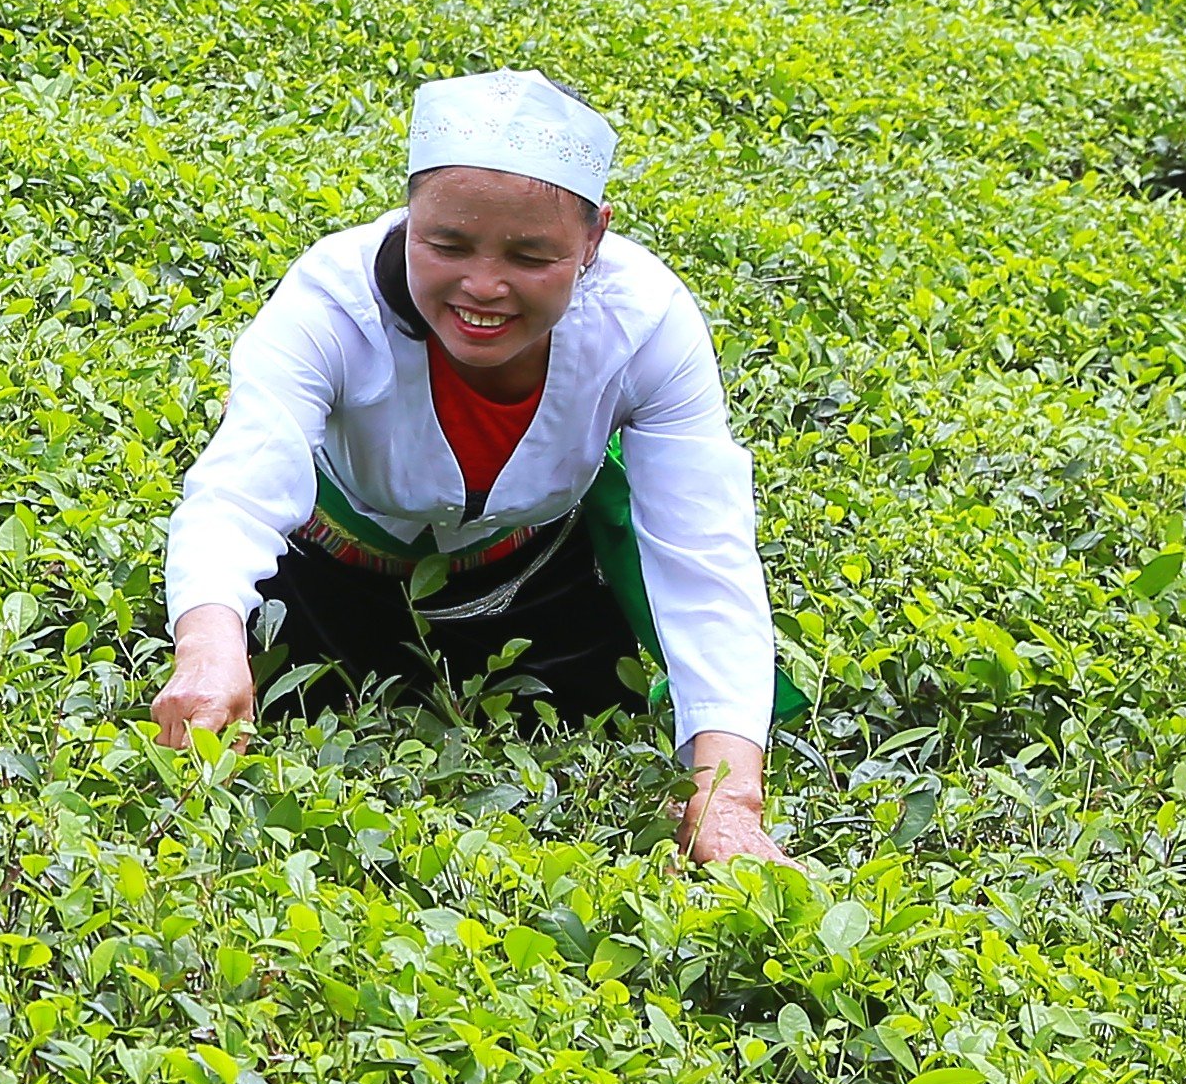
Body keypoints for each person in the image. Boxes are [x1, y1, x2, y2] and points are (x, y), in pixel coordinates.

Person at [149, 72, 793, 865]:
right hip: (326, 578)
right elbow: (238, 487)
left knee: (592, 711)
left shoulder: (648, 322)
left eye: (531, 255)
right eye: (447, 245)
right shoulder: (330, 299)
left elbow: (705, 554)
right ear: (409, 216)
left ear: (594, 238)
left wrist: (728, 796)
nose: (482, 288)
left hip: (532, 585)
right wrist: (211, 647)